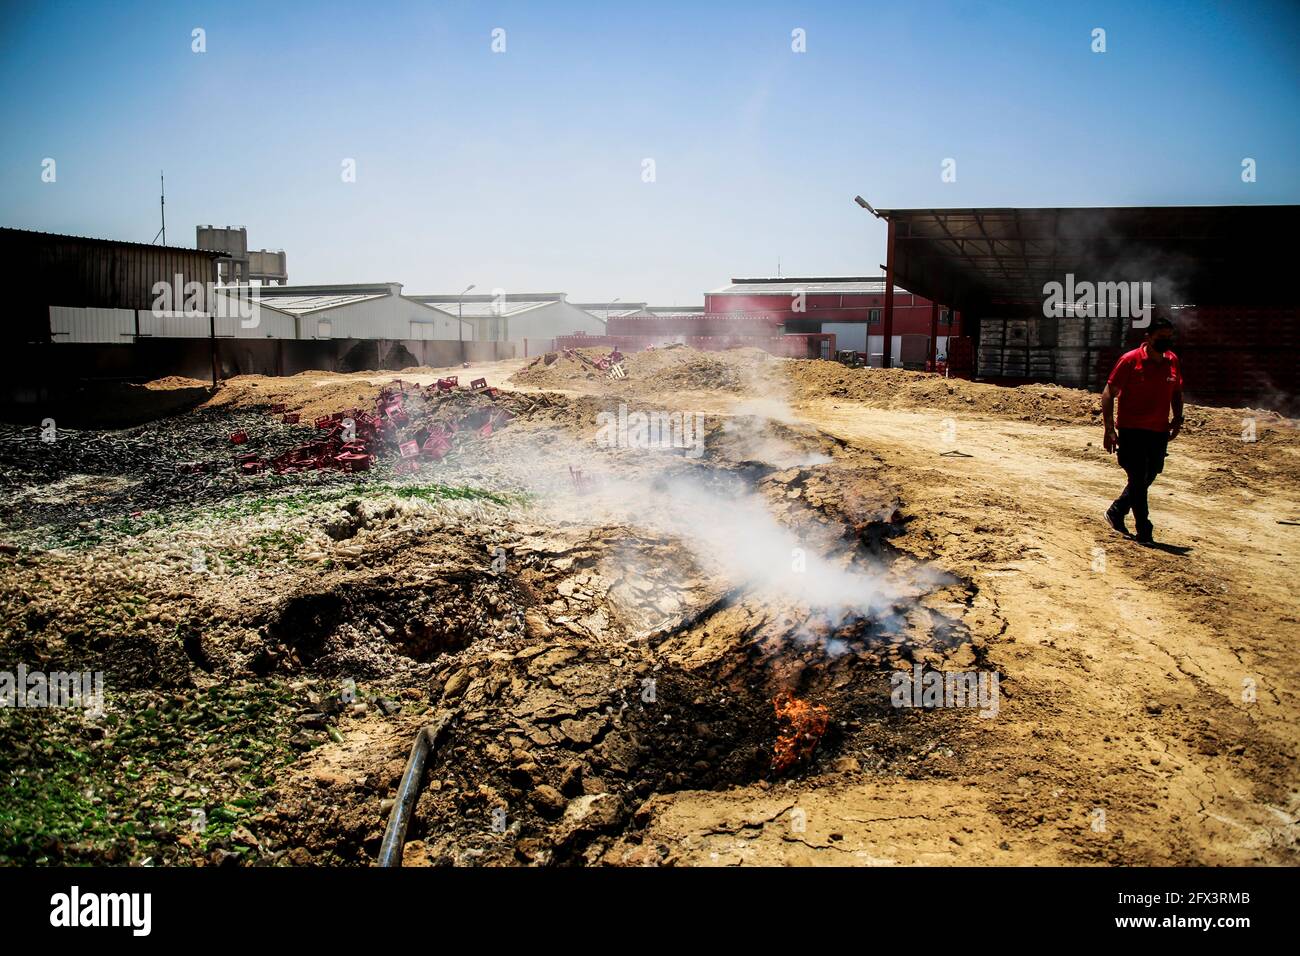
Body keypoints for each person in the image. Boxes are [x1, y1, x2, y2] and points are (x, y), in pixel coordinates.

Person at [1100, 317, 1183, 544]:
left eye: (1169, 337)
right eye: (1161, 337)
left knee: (1151, 474)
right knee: (1137, 478)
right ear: (1148, 337)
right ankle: (1144, 529)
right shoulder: (1130, 361)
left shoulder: (1172, 361)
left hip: (1158, 431)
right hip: (1131, 430)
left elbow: (1176, 392)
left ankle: (1117, 510)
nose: (1166, 341)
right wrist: (1109, 429)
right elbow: (1108, 394)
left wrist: (1177, 418)